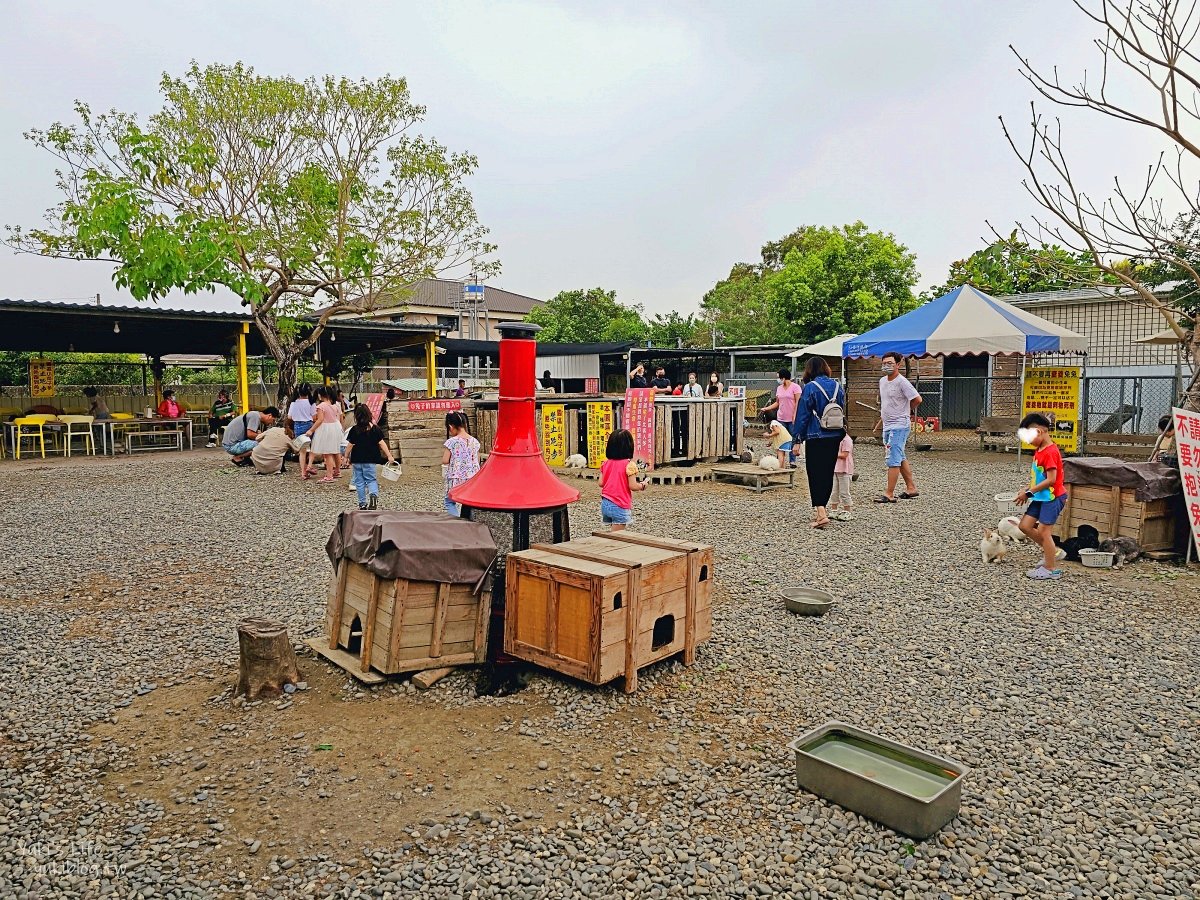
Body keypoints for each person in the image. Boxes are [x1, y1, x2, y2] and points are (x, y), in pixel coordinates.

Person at [790, 357, 846, 529]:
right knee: (828, 472)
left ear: (809, 370)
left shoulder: (810, 388)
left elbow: (803, 415)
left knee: (815, 473)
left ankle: (821, 513)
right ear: (826, 368)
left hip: (816, 435)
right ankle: (822, 509)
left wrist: (796, 440)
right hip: (835, 434)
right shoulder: (838, 387)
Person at [1014, 412, 1068, 580]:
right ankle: (1053, 551)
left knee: (1044, 532)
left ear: (1038, 432)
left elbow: (1051, 480)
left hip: (1052, 498)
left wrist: (1028, 493)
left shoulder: (1050, 452)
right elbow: (1040, 476)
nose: (1028, 442)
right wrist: (1027, 488)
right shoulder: (1039, 450)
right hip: (1040, 497)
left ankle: (1050, 569)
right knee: (1025, 526)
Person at [872, 351, 922, 503]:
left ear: (898, 365)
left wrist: (906, 411)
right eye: (884, 363)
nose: (886, 366)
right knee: (899, 456)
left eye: (890, 363)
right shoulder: (882, 381)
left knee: (893, 458)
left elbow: (917, 399)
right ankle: (911, 488)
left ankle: (889, 493)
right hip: (888, 424)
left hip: (899, 425)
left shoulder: (902, 382)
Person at [342, 404, 397, 510]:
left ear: (356, 416)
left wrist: (345, 457)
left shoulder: (354, 430)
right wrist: (389, 456)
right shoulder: (375, 429)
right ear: (369, 415)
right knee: (371, 480)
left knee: (359, 481)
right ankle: (373, 495)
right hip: (371, 460)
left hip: (357, 460)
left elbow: (350, 445)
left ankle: (362, 503)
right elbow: (382, 443)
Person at [599, 429, 647, 531]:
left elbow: (601, 483)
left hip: (605, 503)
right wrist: (642, 485)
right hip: (619, 504)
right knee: (617, 538)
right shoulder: (629, 465)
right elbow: (633, 486)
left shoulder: (606, 463)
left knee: (612, 532)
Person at [442, 411, 480, 516]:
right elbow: (477, 459)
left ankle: (457, 523)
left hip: (456, 476)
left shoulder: (452, 441)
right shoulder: (475, 441)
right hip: (472, 477)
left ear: (451, 426)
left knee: (449, 501)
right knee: (468, 502)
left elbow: (445, 460)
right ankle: (467, 522)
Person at [307, 387, 346, 482]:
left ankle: (329, 476)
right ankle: (337, 471)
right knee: (336, 451)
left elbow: (320, 420)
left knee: (327, 453)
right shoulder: (335, 405)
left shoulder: (321, 406)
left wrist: (311, 430)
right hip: (335, 428)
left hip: (326, 429)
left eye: (319, 394)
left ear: (322, 395)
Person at [760, 368, 802, 437]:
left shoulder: (796, 387)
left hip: (792, 419)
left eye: (778, 377)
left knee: (793, 438)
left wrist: (795, 415)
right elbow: (777, 402)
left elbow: (798, 402)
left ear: (783, 377)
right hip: (781, 418)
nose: (778, 379)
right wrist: (766, 408)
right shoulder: (779, 388)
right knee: (781, 438)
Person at [287, 384, 315, 473]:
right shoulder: (311, 403)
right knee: (313, 447)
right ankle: (309, 465)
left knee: (302, 451)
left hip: (297, 426)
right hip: (309, 425)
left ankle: (303, 472)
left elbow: (289, 417)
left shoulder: (293, 403)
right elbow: (314, 417)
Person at [830, 433, 855, 521]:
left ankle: (847, 511)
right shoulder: (834, 438)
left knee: (844, 492)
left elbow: (844, 455)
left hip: (845, 469)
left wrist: (831, 453)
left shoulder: (847, 440)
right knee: (834, 491)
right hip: (835, 468)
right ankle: (834, 509)